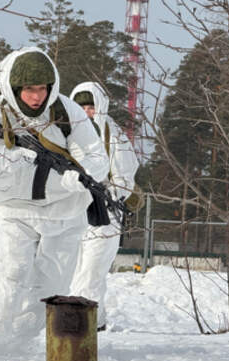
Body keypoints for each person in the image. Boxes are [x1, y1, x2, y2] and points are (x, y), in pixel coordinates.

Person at [0, 48, 110, 338]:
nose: (37, 97)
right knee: (12, 269)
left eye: (43, 89)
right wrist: (7, 160)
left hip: (63, 206)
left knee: (54, 279)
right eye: (29, 90)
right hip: (8, 205)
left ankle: (26, 339)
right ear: (14, 88)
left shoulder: (66, 111)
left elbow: (98, 157)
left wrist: (78, 177)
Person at [68, 82, 141, 331]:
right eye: (81, 107)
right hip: (74, 211)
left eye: (91, 107)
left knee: (91, 270)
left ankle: (80, 324)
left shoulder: (113, 134)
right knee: (77, 269)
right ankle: (96, 321)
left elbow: (126, 172)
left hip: (106, 214)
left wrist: (110, 192)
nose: (86, 112)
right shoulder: (67, 133)